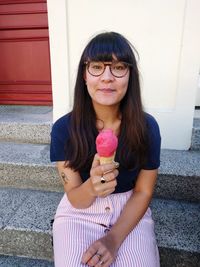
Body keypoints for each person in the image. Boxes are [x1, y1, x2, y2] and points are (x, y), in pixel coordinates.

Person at [50, 31, 161, 267]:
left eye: (119, 67)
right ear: (84, 74)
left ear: (130, 75)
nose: (107, 77)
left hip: (130, 210)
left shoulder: (147, 127)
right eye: (97, 67)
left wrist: (113, 239)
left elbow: (143, 191)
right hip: (79, 212)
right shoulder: (63, 129)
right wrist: (91, 186)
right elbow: (76, 198)